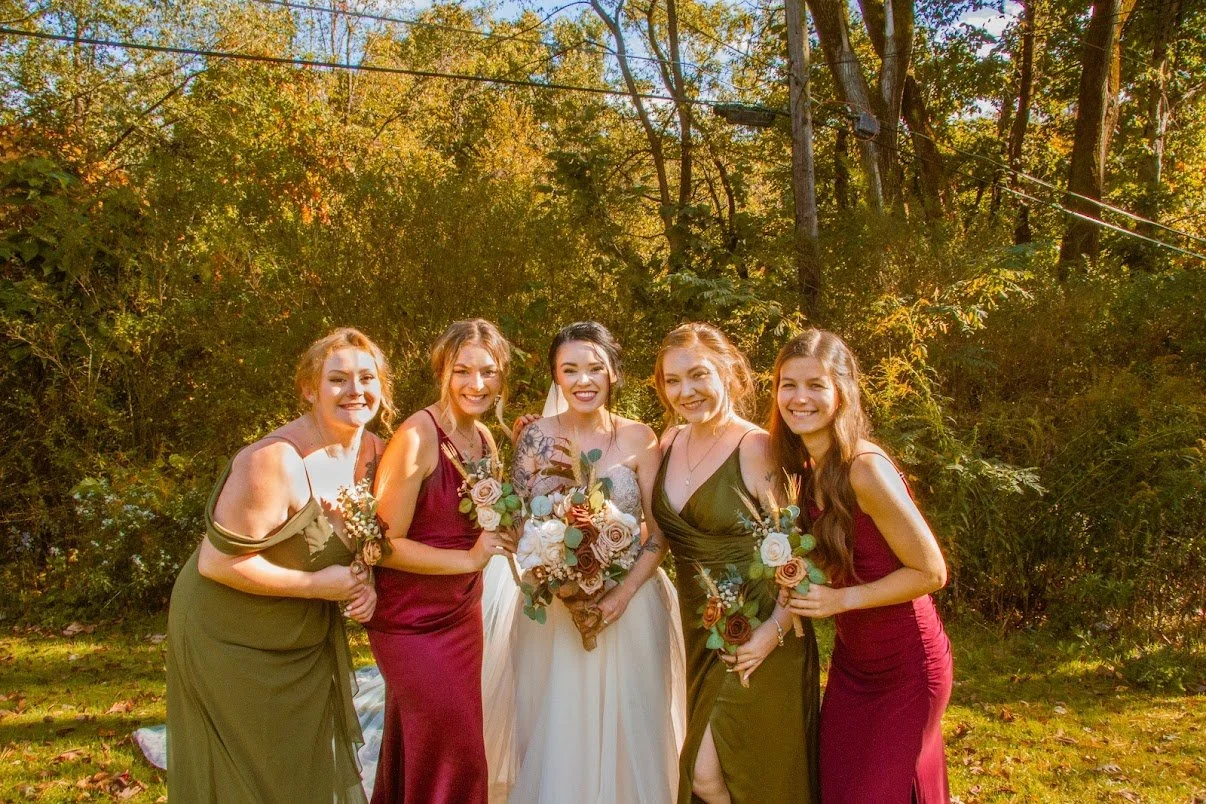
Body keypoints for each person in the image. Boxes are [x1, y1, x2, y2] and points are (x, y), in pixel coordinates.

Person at [166, 327, 389, 803]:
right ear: (309, 389)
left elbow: (365, 540)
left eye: (366, 377)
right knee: (247, 773)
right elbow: (217, 564)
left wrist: (362, 580)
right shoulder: (273, 462)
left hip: (302, 637)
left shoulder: (375, 455)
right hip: (227, 636)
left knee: (301, 768)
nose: (355, 391)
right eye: (338, 379)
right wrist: (317, 585)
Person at [499, 321, 685, 803]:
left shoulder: (641, 438)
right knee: (561, 725)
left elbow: (659, 530)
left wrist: (620, 595)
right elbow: (515, 521)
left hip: (632, 603)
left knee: (630, 724)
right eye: (570, 369)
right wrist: (555, 583)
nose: (584, 380)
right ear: (555, 377)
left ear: (613, 373)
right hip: (555, 612)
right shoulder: (534, 438)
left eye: (595, 368)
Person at [772, 329, 952, 803]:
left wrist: (841, 599)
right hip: (854, 667)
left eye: (816, 385)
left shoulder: (863, 468)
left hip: (907, 666)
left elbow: (932, 572)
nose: (799, 397)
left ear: (841, 393)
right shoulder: (808, 472)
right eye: (788, 385)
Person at [650, 322, 820, 804]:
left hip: (762, 634)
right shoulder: (668, 444)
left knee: (751, 775)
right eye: (673, 381)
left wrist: (772, 633)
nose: (686, 391)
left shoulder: (757, 448)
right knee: (705, 775)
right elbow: (655, 539)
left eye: (698, 375)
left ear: (729, 371)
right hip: (698, 635)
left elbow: (799, 557)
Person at [365, 319, 516, 804]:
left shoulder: (486, 441)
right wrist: (470, 559)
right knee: (458, 752)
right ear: (442, 372)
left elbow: (481, 524)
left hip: (461, 615)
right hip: (411, 621)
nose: (477, 384)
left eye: (489, 372)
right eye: (462, 371)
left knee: (423, 746)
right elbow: (383, 544)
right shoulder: (417, 434)